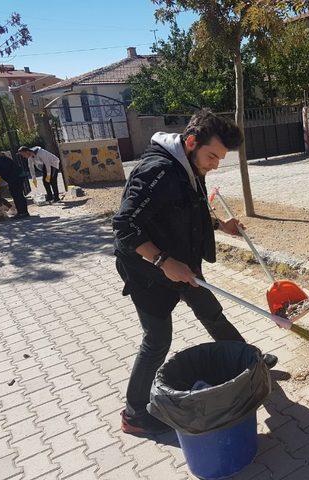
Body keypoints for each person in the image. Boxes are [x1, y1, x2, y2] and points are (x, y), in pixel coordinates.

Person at [112, 108, 278, 436]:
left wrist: (220, 225)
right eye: (212, 156)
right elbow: (124, 227)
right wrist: (163, 262)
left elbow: (190, 208)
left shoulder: (189, 165)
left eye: (220, 158)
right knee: (157, 341)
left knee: (211, 312)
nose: (215, 164)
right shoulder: (156, 171)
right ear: (190, 142)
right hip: (148, 272)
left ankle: (249, 365)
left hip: (183, 264)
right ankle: (133, 414)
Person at [0, 154, 30, 218]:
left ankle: (23, 213)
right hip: (16, 176)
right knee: (17, 194)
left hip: (14, 177)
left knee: (17, 195)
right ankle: (22, 212)